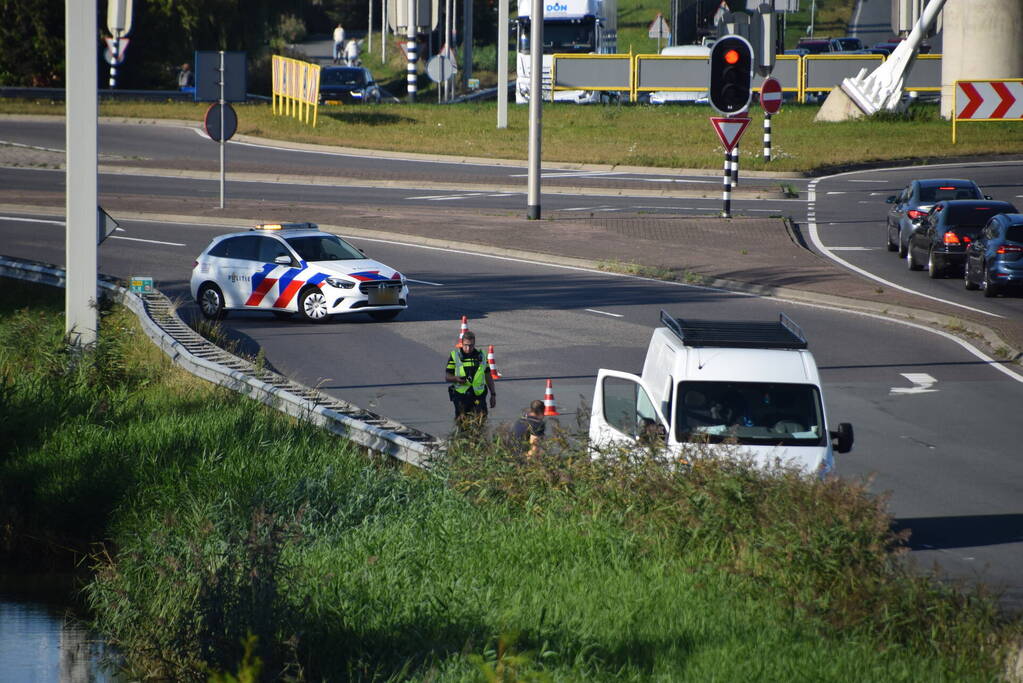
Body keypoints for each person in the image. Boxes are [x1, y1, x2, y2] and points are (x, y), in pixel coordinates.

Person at [445, 330, 496, 430]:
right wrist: (456, 379)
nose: (468, 348)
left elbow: (488, 376)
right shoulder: (455, 356)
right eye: (465, 345)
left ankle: (476, 442)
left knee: (480, 424)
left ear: (474, 344)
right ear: (461, 343)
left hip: (478, 396)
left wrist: (493, 394)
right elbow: (447, 376)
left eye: (471, 345)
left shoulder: (481, 356)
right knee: (463, 426)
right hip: (461, 397)